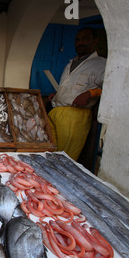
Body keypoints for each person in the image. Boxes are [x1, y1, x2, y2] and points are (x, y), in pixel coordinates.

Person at [48, 27, 106, 161]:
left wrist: (91, 93)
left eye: (85, 39)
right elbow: (72, 87)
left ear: (95, 41)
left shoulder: (100, 64)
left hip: (75, 115)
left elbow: (112, 89)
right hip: (56, 111)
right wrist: (58, 94)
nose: (80, 43)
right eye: (78, 40)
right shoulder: (71, 63)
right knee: (50, 152)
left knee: (64, 157)